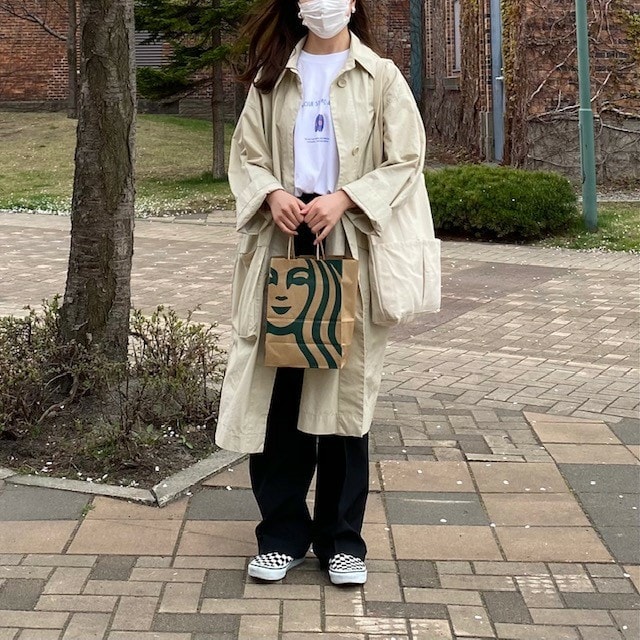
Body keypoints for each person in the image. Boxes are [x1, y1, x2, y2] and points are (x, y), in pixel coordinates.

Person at [215, 0, 431, 585]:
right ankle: (281, 535)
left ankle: (343, 541)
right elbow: (247, 153)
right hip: (284, 245)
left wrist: (347, 197)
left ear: (353, 3)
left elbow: (406, 158)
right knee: (281, 394)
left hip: (346, 243)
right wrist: (270, 194)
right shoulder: (273, 75)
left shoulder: (380, 76)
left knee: (344, 397)